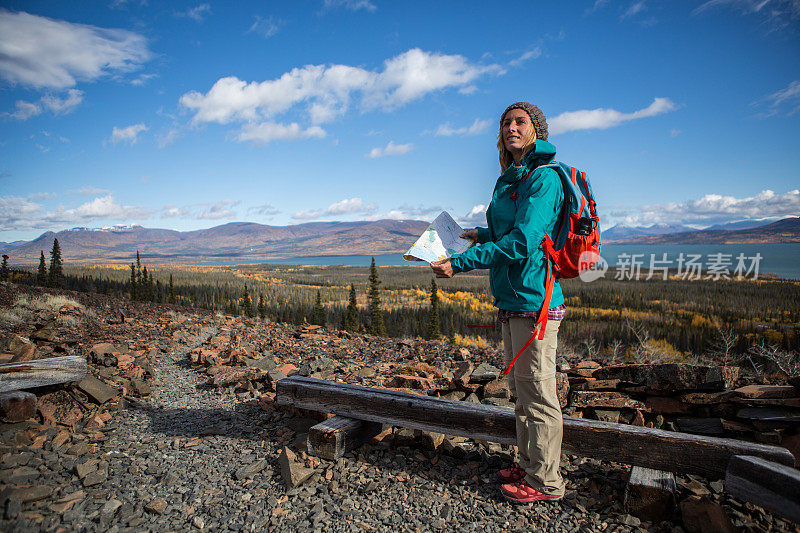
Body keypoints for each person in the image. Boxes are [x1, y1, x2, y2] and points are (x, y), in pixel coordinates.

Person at [431, 102, 566, 504]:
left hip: (534, 303)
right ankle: (529, 463)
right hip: (512, 300)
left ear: (536, 129)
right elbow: (508, 230)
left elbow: (524, 242)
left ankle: (546, 482)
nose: (511, 127)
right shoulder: (513, 177)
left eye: (520, 122)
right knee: (522, 392)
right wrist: (477, 233)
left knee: (539, 395)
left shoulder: (544, 179)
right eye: (506, 122)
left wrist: (460, 263)